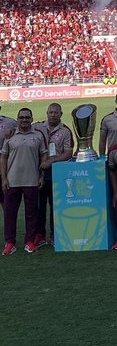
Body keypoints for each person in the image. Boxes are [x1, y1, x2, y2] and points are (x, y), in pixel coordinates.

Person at [1, 108, 48, 255]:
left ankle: (30, 242)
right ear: (17, 119)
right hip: (12, 181)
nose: (24, 120)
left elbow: (43, 155)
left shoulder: (38, 135)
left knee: (31, 214)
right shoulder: (10, 135)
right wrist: (3, 178)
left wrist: (41, 176)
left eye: (27, 117)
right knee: (10, 214)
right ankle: (10, 243)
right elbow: (3, 157)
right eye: (21, 117)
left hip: (31, 180)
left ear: (32, 119)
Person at [35, 103, 74, 247]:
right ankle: (40, 234)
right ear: (47, 113)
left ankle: (54, 233)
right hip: (38, 171)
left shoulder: (65, 131)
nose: (53, 115)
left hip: (56, 173)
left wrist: (51, 161)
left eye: (56, 112)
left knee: (55, 205)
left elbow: (68, 153)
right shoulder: (37, 127)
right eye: (51, 112)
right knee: (39, 205)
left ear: (61, 114)